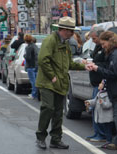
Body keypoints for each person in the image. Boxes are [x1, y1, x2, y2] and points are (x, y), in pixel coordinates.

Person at [35, 16, 87, 150]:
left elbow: (69, 63)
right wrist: (52, 76)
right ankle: (40, 137)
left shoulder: (66, 44)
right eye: (71, 31)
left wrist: (84, 66)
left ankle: (56, 139)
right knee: (48, 108)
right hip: (48, 82)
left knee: (58, 112)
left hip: (60, 83)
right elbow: (42, 60)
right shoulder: (50, 40)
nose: (72, 34)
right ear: (64, 30)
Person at [85, 26, 108, 142]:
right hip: (95, 82)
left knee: (99, 109)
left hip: (100, 83)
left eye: (94, 38)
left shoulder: (104, 48)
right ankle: (97, 132)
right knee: (95, 109)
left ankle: (102, 134)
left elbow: (106, 65)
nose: (93, 41)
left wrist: (95, 65)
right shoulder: (97, 47)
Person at [85, 80, 114, 148]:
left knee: (108, 130)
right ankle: (107, 141)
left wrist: (102, 103)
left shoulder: (108, 95)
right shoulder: (99, 93)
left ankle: (109, 141)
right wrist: (89, 102)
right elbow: (95, 101)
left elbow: (109, 105)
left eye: (101, 84)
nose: (99, 85)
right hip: (101, 117)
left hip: (107, 117)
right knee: (106, 130)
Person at [24, 34, 39, 100]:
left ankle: (33, 94)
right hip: (36, 65)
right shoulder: (35, 46)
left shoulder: (28, 47)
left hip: (30, 66)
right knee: (36, 81)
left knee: (33, 81)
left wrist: (24, 56)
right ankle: (36, 94)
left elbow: (28, 57)